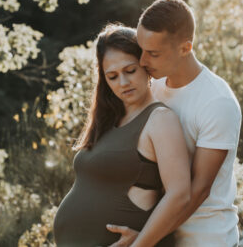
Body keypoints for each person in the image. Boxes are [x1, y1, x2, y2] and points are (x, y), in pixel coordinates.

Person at [108, 0, 242, 247]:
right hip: (160, 236)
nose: (143, 61)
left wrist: (143, 241)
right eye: (142, 50)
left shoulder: (217, 102)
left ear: (185, 48)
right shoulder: (153, 87)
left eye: (153, 53)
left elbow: (197, 191)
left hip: (204, 240)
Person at [53, 23, 191, 247]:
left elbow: (179, 195)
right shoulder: (107, 121)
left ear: (145, 64)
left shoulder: (160, 119)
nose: (123, 83)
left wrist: (140, 245)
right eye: (113, 76)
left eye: (130, 71)